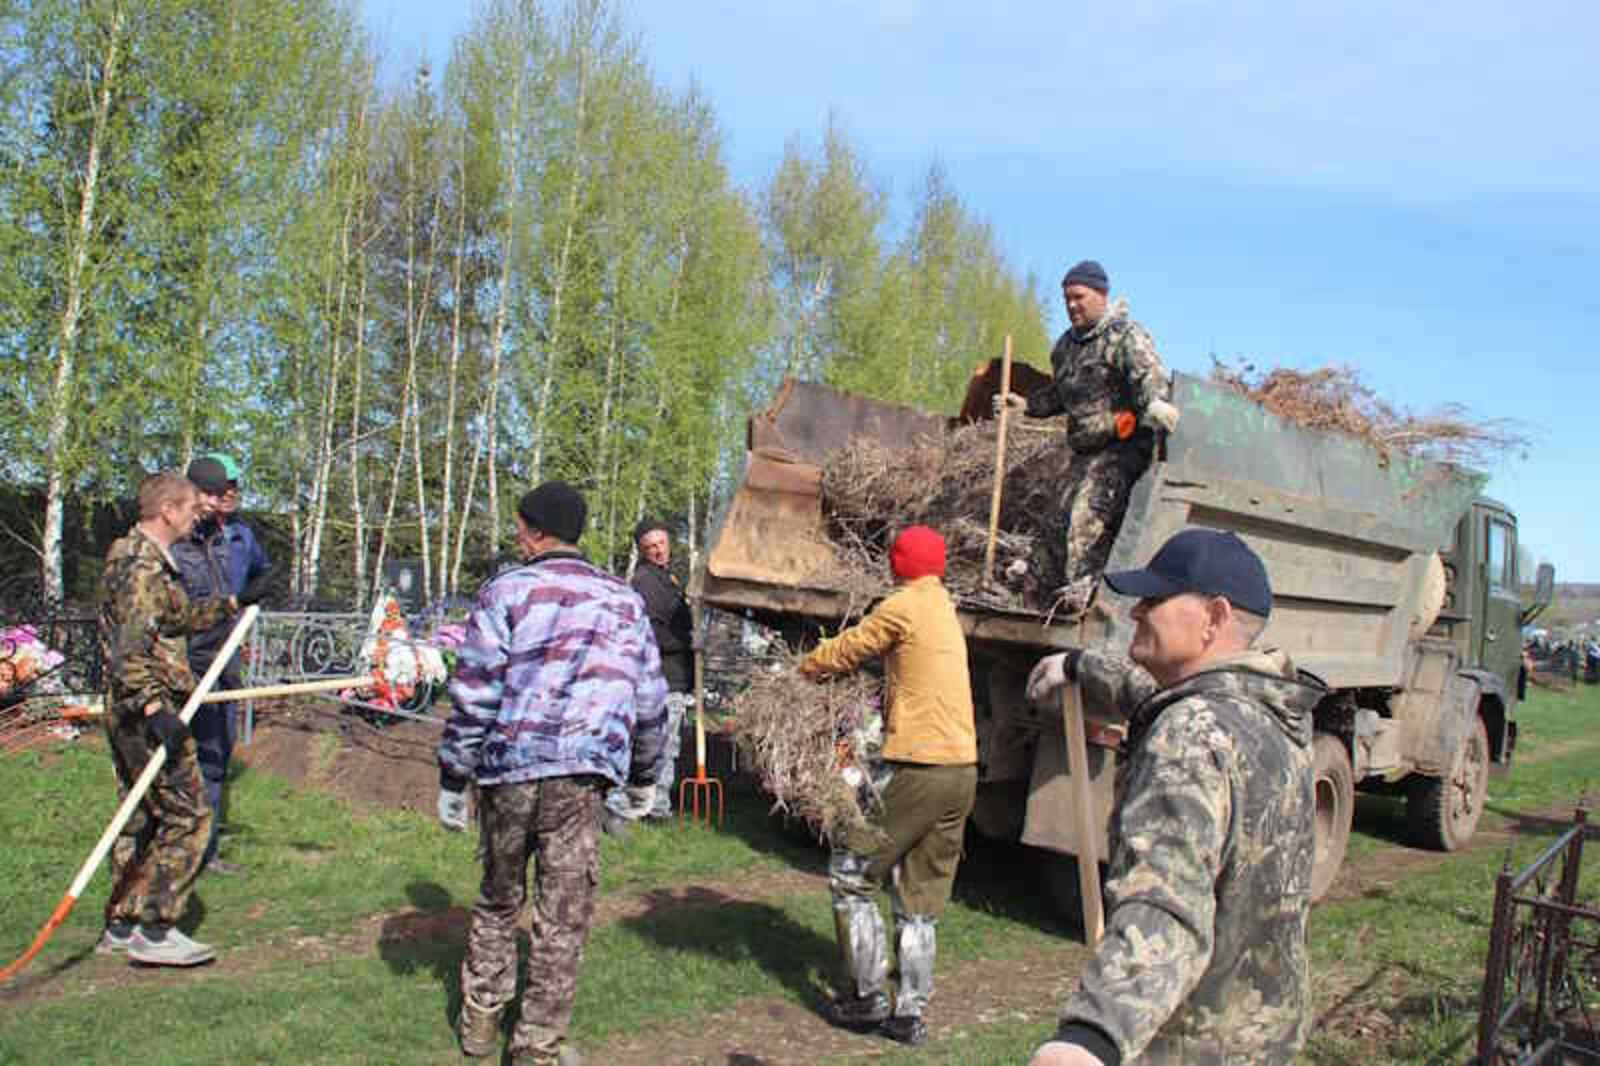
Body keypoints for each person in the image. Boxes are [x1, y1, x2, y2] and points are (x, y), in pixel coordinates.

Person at [1025, 528, 1324, 1066]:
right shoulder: (1270, 713)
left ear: (1214, 616)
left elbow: (1166, 898)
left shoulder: (1189, 734)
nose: (1137, 610)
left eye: (1156, 598)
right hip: (1261, 1034)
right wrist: (1078, 666)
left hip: (1187, 1043)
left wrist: (1093, 1035)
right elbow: (1152, 697)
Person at [436, 480, 668, 1066]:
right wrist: (644, 775)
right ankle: (536, 1047)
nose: (517, 535)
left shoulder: (505, 592)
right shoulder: (623, 602)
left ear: (537, 530)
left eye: (520, 526)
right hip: (581, 778)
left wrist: (454, 775)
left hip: (508, 773)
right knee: (562, 918)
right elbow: (649, 699)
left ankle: (480, 1023)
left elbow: (475, 694)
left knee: (498, 898)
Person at [799, 525, 978, 1048]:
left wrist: (806, 666)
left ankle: (867, 997)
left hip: (919, 766)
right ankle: (909, 1011)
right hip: (963, 769)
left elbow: (850, 648)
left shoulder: (904, 605)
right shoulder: (945, 608)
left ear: (900, 565)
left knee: (852, 873)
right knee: (920, 894)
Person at [96, 470, 246, 966]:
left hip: (130, 707)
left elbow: (175, 618)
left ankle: (122, 923)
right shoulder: (141, 568)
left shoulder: (140, 560)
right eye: (189, 509)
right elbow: (129, 649)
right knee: (189, 814)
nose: (195, 517)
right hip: (145, 710)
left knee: (139, 814)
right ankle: (156, 928)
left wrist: (234, 603)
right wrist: (155, 709)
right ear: (167, 511)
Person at [994, 260, 1180, 613]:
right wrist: (1026, 405)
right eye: (1066, 298)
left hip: (1122, 447)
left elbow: (1146, 375)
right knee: (1055, 522)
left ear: (1101, 295)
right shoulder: (1065, 348)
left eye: (1078, 297)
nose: (1071, 305)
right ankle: (1037, 598)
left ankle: (1084, 598)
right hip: (1084, 450)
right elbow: (1061, 395)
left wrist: (1155, 402)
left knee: (1087, 515)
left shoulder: (1125, 336)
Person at [172, 453, 272, 874]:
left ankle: (205, 851)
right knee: (173, 763)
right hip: (182, 664)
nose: (228, 494)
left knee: (214, 758)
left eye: (232, 486)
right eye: (218, 488)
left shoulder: (236, 536)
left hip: (223, 662)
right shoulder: (177, 539)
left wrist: (254, 594)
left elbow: (261, 574)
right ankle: (170, 852)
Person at [603, 518, 693, 833]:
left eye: (662, 543)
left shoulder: (668, 579)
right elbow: (650, 632)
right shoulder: (645, 582)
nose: (658, 550)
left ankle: (657, 806)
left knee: (668, 744)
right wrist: (688, 641)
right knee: (649, 743)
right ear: (642, 551)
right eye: (650, 546)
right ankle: (618, 806)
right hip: (658, 676)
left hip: (675, 675)